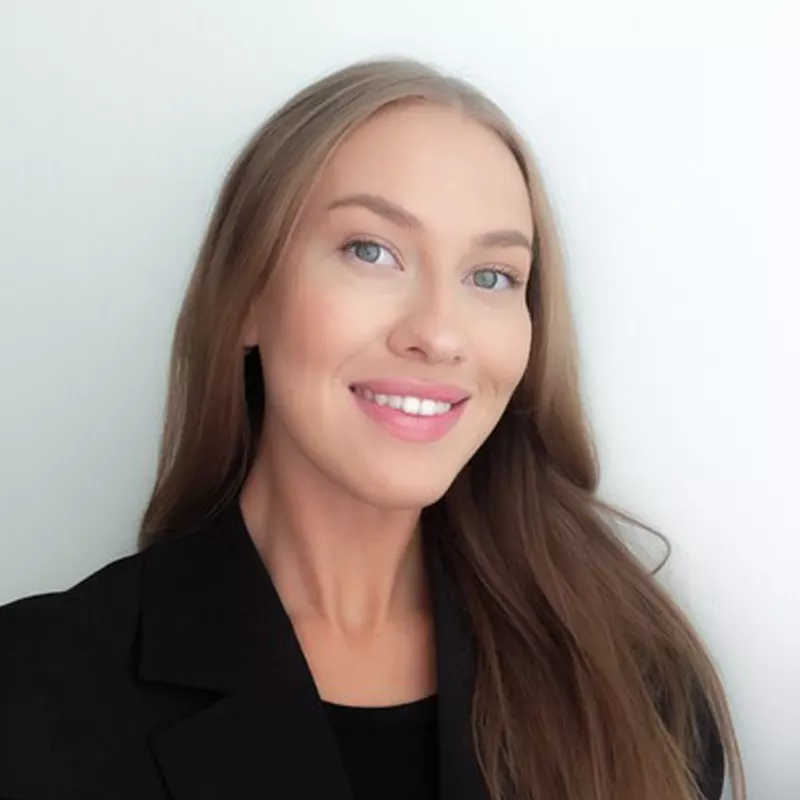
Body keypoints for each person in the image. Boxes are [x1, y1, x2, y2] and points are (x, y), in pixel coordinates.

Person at [0, 57, 745, 800]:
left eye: (491, 276)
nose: (440, 334)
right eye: (372, 251)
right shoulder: (35, 689)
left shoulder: (634, 680)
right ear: (248, 296)